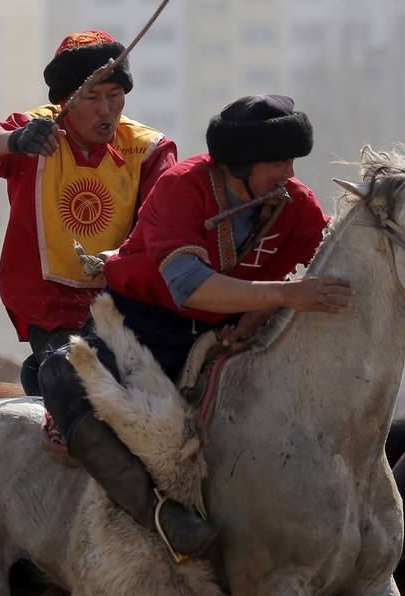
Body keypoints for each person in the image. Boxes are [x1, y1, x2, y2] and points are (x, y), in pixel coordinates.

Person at [39, 94, 355, 561]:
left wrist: (257, 315)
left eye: (291, 161)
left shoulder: (296, 204)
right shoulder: (180, 187)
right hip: (139, 323)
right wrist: (284, 296)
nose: (288, 173)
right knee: (60, 372)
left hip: (225, 334)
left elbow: (329, 264)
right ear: (238, 164)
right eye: (277, 162)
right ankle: (158, 515)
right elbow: (190, 288)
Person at [0, 30, 177, 394]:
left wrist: (120, 259)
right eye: (92, 97)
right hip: (51, 311)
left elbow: (163, 225)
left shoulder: (149, 149)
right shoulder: (35, 130)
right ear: (65, 101)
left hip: (126, 305)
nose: (106, 109)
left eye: (114, 96)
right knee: (84, 387)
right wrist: (15, 141)